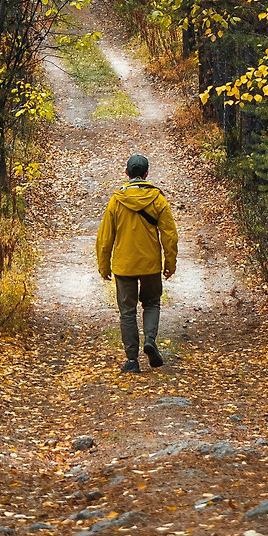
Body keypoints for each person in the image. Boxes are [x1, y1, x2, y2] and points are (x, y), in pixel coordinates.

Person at [96, 153, 179, 373]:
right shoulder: (157, 199)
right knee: (151, 303)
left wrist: (104, 266)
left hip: (124, 266)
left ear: (126, 173)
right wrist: (170, 263)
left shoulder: (116, 201)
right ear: (147, 173)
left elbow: (105, 238)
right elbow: (170, 235)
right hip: (150, 264)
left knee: (127, 311)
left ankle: (132, 360)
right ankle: (150, 339)